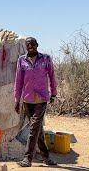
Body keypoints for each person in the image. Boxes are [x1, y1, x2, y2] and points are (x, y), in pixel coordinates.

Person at [14, 37, 57, 167]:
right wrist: (17, 100)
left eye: (32, 44)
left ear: (37, 45)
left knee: (33, 128)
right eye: (28, 45)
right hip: (27, 99)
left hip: (41, 98)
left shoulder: (45, 59)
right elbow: (18, 81)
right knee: (37, 130)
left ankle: (27, 158)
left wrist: (54, 93)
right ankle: (46, 158)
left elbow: (52, 76)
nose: (30, 46)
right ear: (26, 47)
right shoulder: (22, 60)